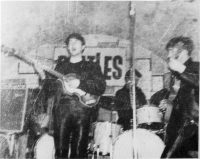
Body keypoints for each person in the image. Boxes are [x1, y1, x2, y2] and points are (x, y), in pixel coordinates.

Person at [35, 33, 106, 158]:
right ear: (67, 47)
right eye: (70, 43)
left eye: (76, 42)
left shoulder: (91, 66)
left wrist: (80, 83)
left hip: (83, 111)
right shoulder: (61, 66)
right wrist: (42, 75)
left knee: (79, 152)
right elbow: (50, 90)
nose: (72, 45)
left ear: (83, 47)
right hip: (62, 112)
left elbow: (101, 87)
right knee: (61, 151)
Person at [159, 36, 199, 158]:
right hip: (178, 126)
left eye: (172, 50)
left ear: (184, 51)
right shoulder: (175, 74)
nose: (168, 55)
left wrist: (181, 69)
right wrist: (168, 103)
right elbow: (178, 98)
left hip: (191, 125)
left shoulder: (196, 67)